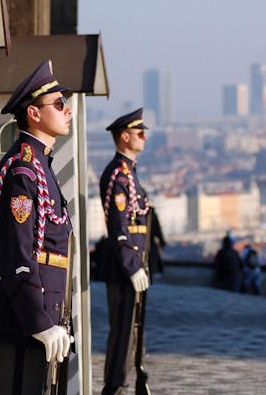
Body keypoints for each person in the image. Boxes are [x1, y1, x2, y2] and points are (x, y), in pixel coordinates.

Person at [0, 60, 74, 395]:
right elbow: (17, 252)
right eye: (58, 104)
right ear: (34, 114)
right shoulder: (23, 171)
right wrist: (38, 322)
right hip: (28, 320)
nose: (67, 111)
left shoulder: (42, 166)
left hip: (49, 313)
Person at [99, 108, 151, 395]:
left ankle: (125, 379)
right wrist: (132, 265)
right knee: (122, 328)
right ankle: (115, 386)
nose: (144, 136)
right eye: (139, 132)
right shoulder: (118, 174)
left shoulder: (129, 172)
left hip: (133, 261)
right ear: (124, 136)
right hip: (123, 264)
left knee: (133, 329)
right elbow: (119, 226)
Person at [148, 207, 167, 277]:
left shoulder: (149, 213)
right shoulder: (151, 213)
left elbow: (157, 229)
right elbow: (158, 229)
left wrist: (162, 241)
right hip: (150, 243)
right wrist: (162, 242)